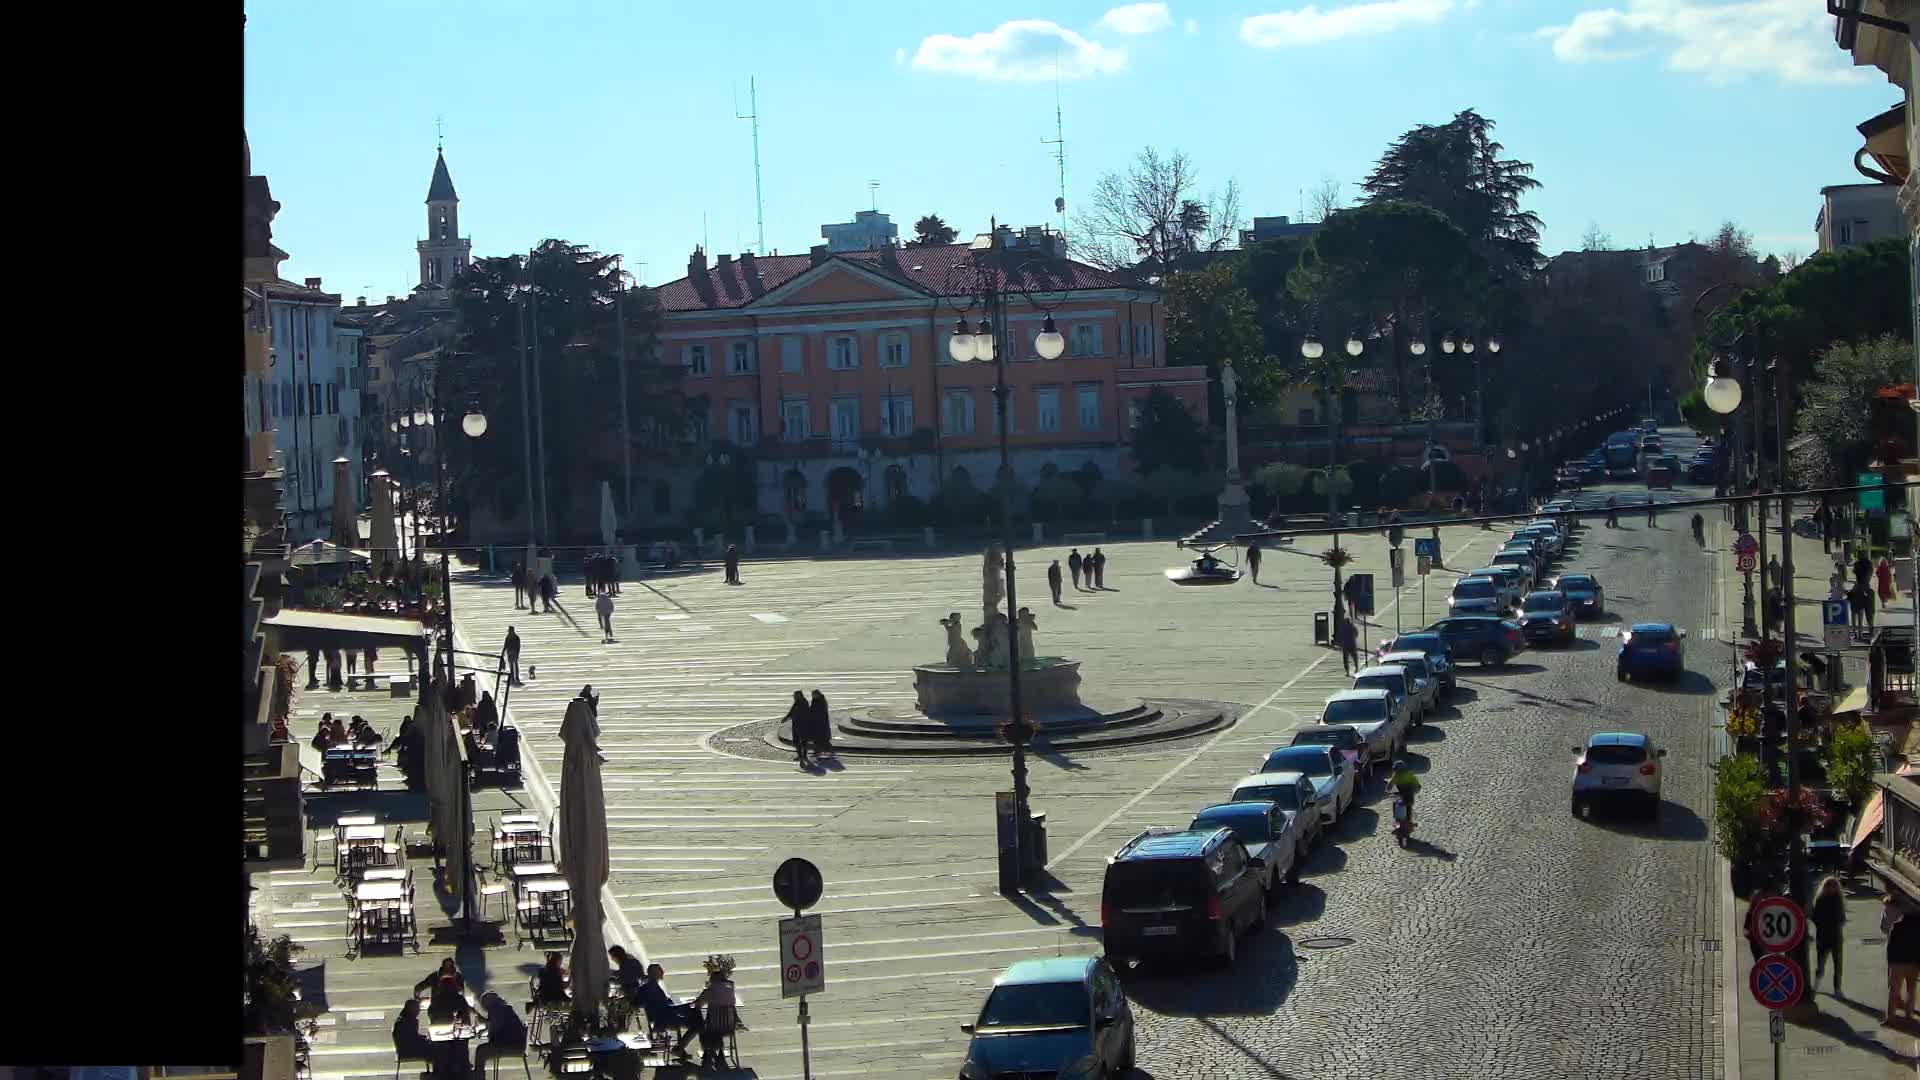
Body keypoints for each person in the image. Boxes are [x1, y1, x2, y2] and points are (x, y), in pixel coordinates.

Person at [635, 963, 702, 1060]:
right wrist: (686, 1006)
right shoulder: (652, 987)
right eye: (660, 970)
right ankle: (680, 1048)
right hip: (663, 1020)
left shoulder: (648, 986)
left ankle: (680, 1048)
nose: (663, 972)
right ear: (654, 973)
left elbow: (661, 1005)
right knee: (696, 1021)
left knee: (693, 1014)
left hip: (658, 1018)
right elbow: (664, 1008)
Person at [694, 955, 742, 1070]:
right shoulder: (730, 988)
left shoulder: (710, 990)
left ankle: (708, 1052)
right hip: (729, 1027)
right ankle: (719, 1053)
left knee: (701, 1025)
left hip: (714, 1026)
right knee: (716, 1025)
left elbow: (698, 1005)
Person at [474, 993, 527, 1072]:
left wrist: (483, 1021)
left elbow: (494, 1023)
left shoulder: (499, 1009)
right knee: (481, 1050)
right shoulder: (501, 1008)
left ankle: (478, 1076)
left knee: (481, 1051)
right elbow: (497, 1024)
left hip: (512, 1046)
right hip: (511, 1042)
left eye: (484, 1004)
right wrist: (484, 1030)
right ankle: (478, 1074)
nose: (484, 1007)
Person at [1811, 875, 1847, 994]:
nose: (1832, 889)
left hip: (1836, 936)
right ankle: (1816, 985)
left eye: (1834, 886)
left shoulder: (1838, 900)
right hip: (1823, 936)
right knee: (1821, 964)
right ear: (1825, 887)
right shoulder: (1820, 900)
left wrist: (1839, 923)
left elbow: (1842, 917)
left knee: (1838, 965)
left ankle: (1837, 989)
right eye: (1830, 886)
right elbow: (1815, 918)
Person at [1887, 899, 1920, 1024]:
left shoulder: (1897, 926)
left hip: (1897, 962)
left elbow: (1891, 946)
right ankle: (1909, 1014)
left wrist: (1890, 963)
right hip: (1913, 963)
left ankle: (1890, 1017)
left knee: (1894, 990)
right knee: (1911, 990)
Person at [786, 691, 812, 767]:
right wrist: (786, 718)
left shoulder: (803, 703)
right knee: (799, 741)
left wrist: (788, 717)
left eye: (795, 696)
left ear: (799, 696)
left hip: (802, 725)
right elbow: (792, 712)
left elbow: (795, 712)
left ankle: (802, 757)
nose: (794, 697)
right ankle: (802, 756)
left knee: (801, 741)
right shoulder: (798, 702)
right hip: (798, 725)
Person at [809, 690, 833, 757]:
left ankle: (822, 751)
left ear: (817, 694)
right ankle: (817, 752)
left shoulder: (821, 701)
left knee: (821, 738)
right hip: (816, 721)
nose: (812, 696)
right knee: (817, 739)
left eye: (813, 695)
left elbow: (820, 711)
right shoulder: (815, 700)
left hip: (821, 722)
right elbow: (812, 708)